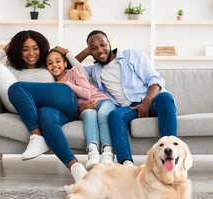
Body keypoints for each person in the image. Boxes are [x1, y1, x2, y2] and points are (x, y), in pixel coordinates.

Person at [0, 30, 87, 181]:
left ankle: (36, 135)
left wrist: (67, 53)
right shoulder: (9, 69)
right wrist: (4, 51)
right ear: (17, 51)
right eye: (25, 49)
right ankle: (76, 168)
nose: (31, 53)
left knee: (17, 88)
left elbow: (83, 75)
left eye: (35, 48)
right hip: (48, 111)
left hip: (64, 99)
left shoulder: (47, 64)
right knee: (47, 120)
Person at [76, 30, 177, 167]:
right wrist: (86, 51)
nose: (100, 50)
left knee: (165, 97)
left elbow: (155, 80)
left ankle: (170, 155)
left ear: (109, 44)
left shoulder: (132, 55)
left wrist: (146, 102)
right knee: (114, 115)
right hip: (128, 108)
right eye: (94, 48)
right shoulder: (94, 70)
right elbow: (70, 67)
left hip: (151, 100)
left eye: (102, 44)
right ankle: (126, 162)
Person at [45, 49, 116, 170]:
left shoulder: (74, 71)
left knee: (103, 114)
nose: (54, 65)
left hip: (102, 101)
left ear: (65, 64)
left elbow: (87, 93)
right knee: (89, 115)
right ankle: (92, 152)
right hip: (85, 108)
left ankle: (107, 153)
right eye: (50, 63)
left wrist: (66, 84)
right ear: (46, 67)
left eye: (58, 61)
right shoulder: (52, 85)